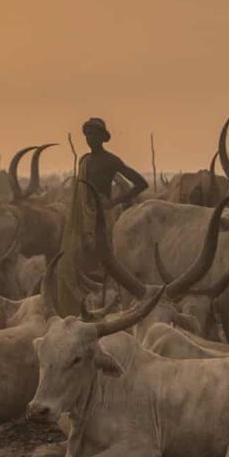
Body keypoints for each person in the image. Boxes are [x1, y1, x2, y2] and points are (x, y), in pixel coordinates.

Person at [52, 117, 150, 316]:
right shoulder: (84, 161)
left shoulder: (111, 160)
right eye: (87, 134)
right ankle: (75, 312)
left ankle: (109, 308)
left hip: (102, 216)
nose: (90, 138)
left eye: (94, 134)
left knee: (103, 260)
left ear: (103, 137)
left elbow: (141, 183)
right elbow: (79, 193)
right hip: (82, 215)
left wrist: (113, 202)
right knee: (70, 263)